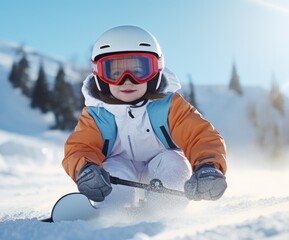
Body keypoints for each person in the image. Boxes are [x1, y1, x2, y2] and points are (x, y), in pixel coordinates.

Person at [62, 25, 227, 210]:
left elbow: (200, 135)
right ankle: (115, 214)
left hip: (161, 170)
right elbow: (81, 147)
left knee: (174, 163)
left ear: (156, 70)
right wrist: (86, 169)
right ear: (99, 75)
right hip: (119, 175)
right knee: (111, 170)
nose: (127, 80)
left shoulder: (169, 106)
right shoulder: (97, 113)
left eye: (139, 71)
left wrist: (208, 166)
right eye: (114, 73)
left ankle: (164, 212)